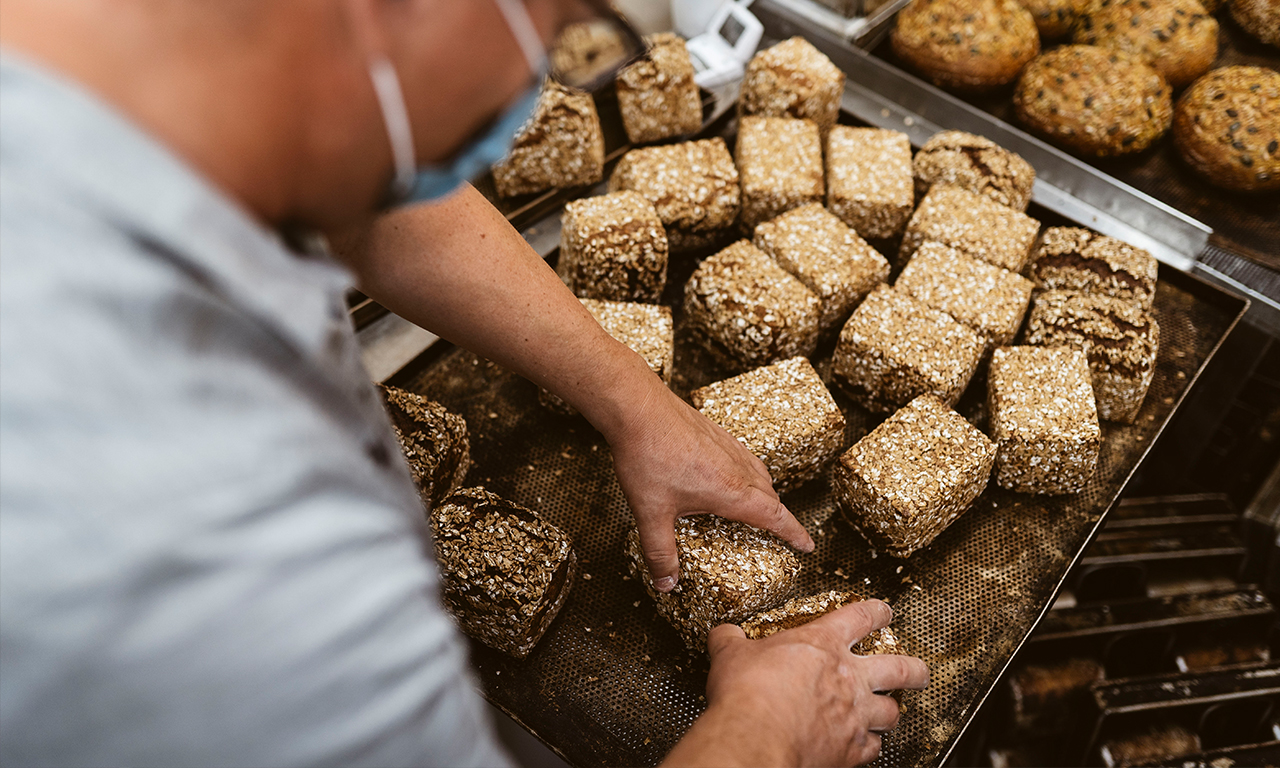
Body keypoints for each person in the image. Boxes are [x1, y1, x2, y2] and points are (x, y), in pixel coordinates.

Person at [0, 1, 930, 766]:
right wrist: (767, 732)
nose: (544, 87)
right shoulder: (213, 517)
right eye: (571, 28)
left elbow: (376, 186)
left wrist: (638, 405)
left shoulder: (151, 59)